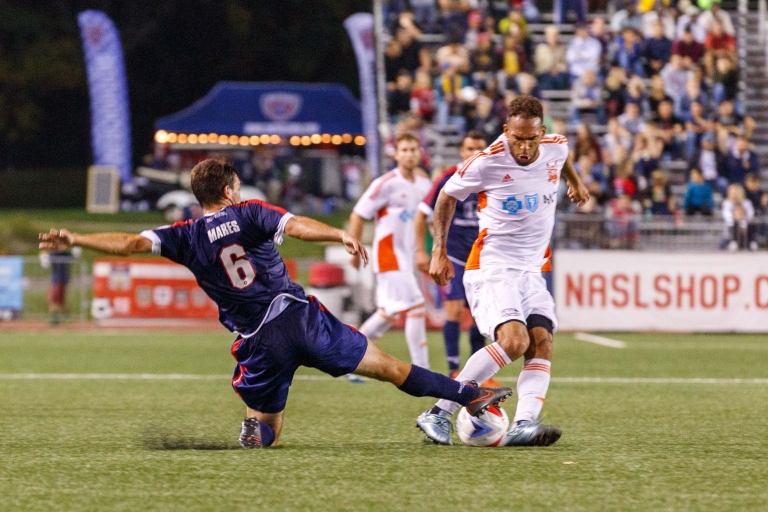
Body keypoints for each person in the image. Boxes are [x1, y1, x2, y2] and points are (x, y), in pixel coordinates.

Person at [39, 159, 512, 449]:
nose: (241, 191)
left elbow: (130, 244)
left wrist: (75, 236)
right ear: (228, 190)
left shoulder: (183, 236)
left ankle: (253, 428)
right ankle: (470, 395)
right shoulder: (249, 213)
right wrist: (340, 233)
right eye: (239, 185)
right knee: (388, 366)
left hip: (257, 342)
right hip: (300, 319)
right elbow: (298, 225)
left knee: (268, 428)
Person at [415, 96, 590, 447]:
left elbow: (563, 156)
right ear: (506, 131)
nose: (524, 148)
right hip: (492, 267)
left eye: (531, 139)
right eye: (517, 139)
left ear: (542, 132)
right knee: (514, 341)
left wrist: (575, 183)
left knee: (541, 342)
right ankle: (438, 412)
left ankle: (523, 424)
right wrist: (439, 252)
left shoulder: (555, 147)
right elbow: (446, 198)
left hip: (531, 270)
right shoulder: (486, 162)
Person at [414, 131, 497, 382]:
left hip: (482, 256)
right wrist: (422, 250)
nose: (474, 152)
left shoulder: (494, 178)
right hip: (454, 255)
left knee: (479, 314)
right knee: (454, 309)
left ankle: (478, 373)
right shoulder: (449, 177)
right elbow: (422, 215)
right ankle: (453, 369)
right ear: (462, 151)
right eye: (470, 148)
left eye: (479, 148)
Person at [349, 133, 433, 370]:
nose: (409, 154)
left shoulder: (424, 185)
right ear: (395, 154)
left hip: (407, 258)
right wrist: (355, 252)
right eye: (404, 150)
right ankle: (422, 369)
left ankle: (348, 360)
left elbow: (429, 221)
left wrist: (436, 249)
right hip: (388, 254)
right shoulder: (385, 183)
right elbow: (358, 214)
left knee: (388, 313)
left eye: (413, 149)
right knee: (416, 305)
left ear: (420, 153)